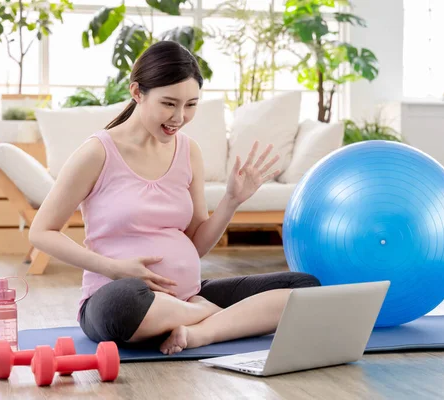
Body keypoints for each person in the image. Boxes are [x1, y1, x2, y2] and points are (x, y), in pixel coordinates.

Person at [28, 40, 320, 356]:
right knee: (125, 305)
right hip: (119, 297)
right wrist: (113, 268)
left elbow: (196, 244)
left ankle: (196, 333)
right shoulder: (97, 152)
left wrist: (231, 201)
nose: (179, 117)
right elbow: (41, 232)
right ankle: (215, 318)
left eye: (191, 105)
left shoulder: (188, 151)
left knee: (304, 288)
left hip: (187, 295)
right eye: (169, 104)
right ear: (137, 92)